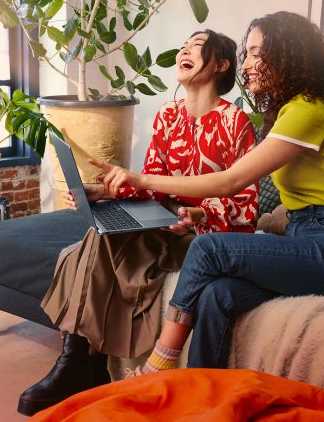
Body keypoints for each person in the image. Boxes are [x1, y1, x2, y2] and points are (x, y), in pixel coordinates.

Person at [92, 11, 324, 375]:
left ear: (288, 54)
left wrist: (141, 179)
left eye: (258, 53)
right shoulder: (286, 111)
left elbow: (229, 182)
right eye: (248, 53)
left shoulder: (309, 110)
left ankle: (158, 366)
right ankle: (200, 387)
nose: (248, 65)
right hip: (305, 235)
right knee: (218, 294)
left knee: (207, 248)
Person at [17, 29, 259, 416]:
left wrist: (201, 213)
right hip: (160, 220)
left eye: (196, 47)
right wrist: (104, 194)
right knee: (102, 230)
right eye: (182, 45)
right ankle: (80, 360)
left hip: (202, 234)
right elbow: (151, 181)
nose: (184, 50)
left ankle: (79, 362)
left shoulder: (237, 122)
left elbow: (246, 206)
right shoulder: (167, 115)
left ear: (221, 64)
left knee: (95, 244)